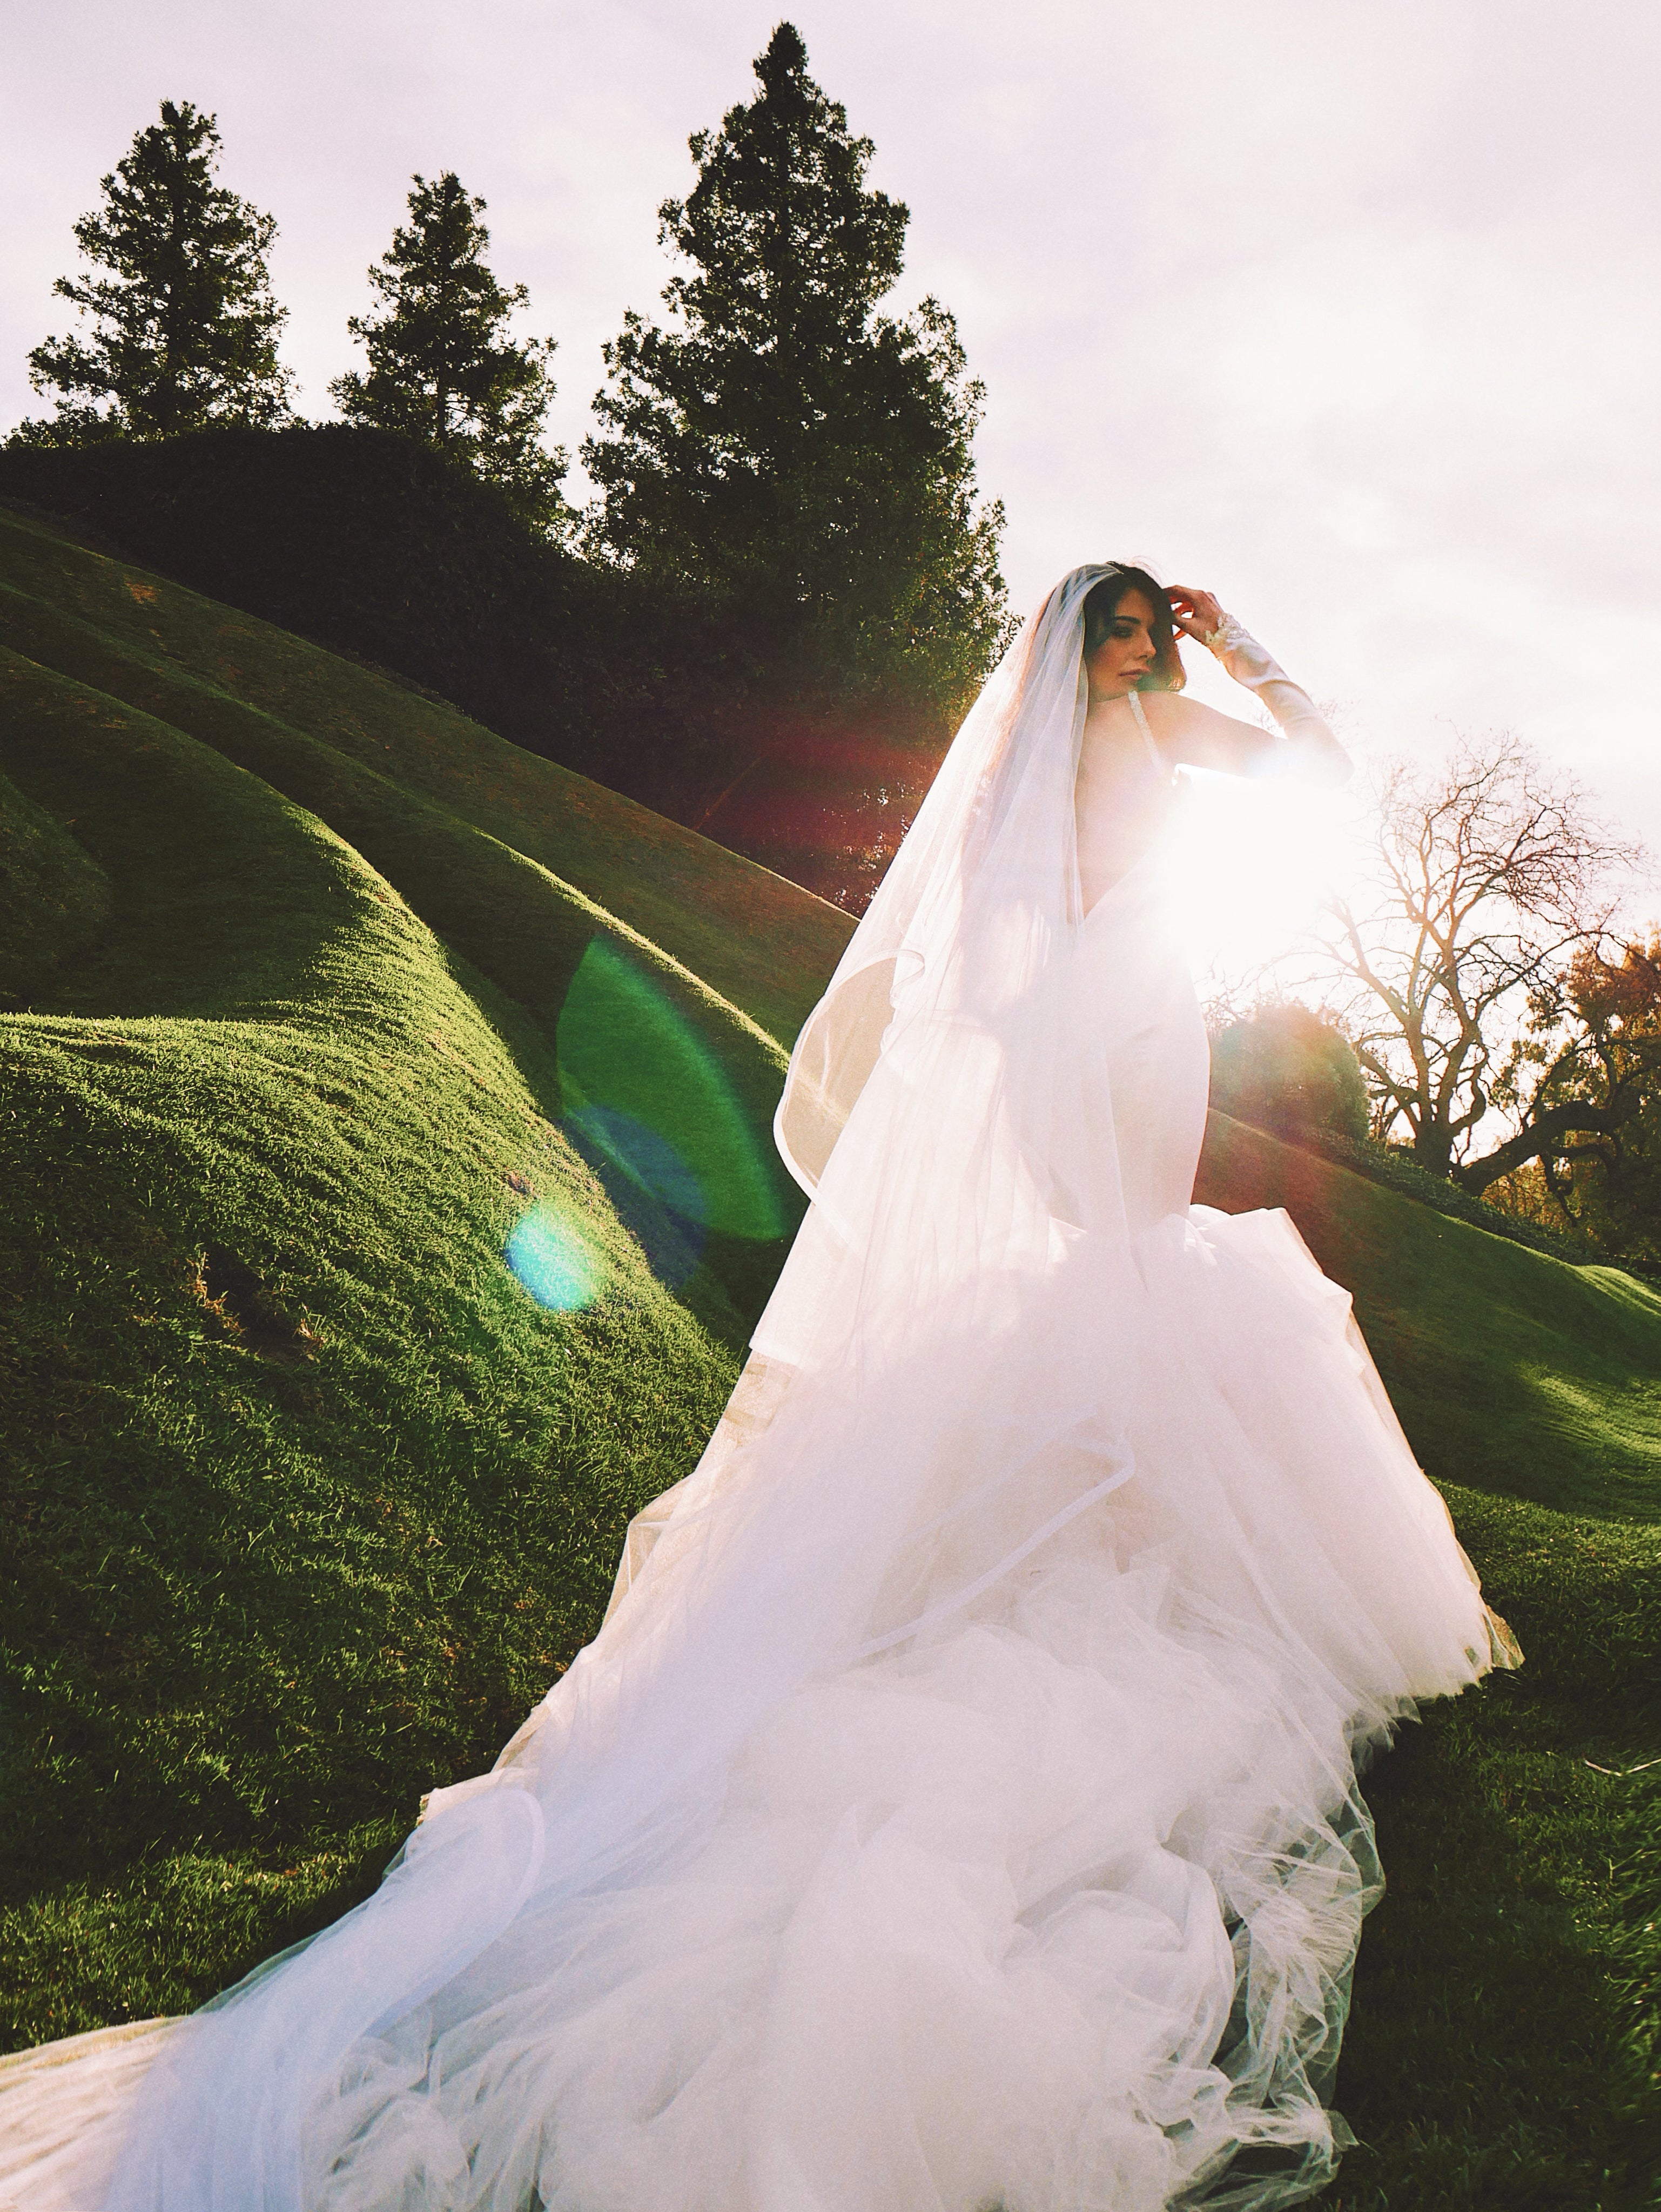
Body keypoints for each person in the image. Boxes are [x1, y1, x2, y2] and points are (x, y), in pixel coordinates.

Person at [1, 565, 1515, 2212]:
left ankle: (1141, 1543)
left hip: (1132, 1003)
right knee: (1132, 1267)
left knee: (1139, 1270)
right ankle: (1121, 1562)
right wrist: (1109, 895)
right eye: (1126, 631)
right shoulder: (1080, 741)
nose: (1144, 652)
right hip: (1097, 1012)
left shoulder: (1144, 726)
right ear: (1083, 645)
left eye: (1154, 630)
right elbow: (1146, 851)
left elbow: (1307, 781)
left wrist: (1231, 657)